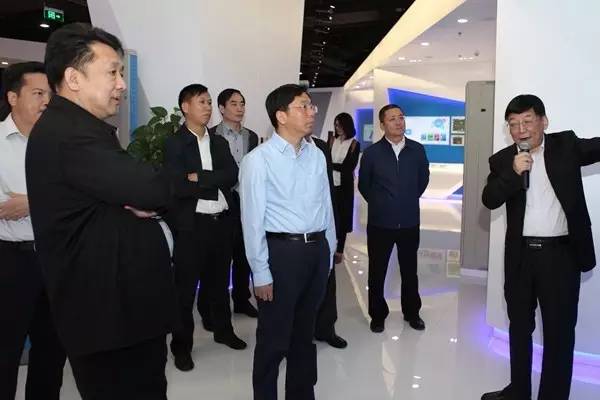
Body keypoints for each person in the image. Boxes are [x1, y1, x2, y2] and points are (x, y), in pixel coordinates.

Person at [25, 23, 179, 399]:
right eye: (112, 72)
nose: (122, 84)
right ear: (73, 78)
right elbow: (154, 187)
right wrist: (141, 196)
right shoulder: (71, 134)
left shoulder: (79, 129)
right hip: (108, 320)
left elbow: (132, 191)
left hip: (121, 314)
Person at [481, 94, 600, 400]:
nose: (521, 129)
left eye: (527, 121)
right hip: (520, 257)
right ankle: (519, 391)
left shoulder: (566, 146)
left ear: (543, 121)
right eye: (513, 123)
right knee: (519, 329)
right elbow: (489, 198)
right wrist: (513, 172)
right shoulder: (502, 160)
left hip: (560, 256)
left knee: (559, 334)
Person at [239, 84, 336, 400]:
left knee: (304, 336)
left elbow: (326, 206)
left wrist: (329, 250)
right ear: (281, 116)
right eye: (303, 106)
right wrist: (260, 272)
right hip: (282, 254)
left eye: (311, 106)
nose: (311, 112)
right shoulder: (258, 160)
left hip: (316, 251)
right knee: (274, 338)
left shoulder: (317, 155)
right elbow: (252, 220)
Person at [165, 84, 246, 373]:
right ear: (185, 107)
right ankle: (181, 347)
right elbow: (177, 185)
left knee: (220, 284)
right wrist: (211, 180)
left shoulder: (218, 142)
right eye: (202, 102)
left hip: (221, 223)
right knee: (185, 291)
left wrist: (199, 178)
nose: (208, 107)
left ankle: (223, 331)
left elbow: (232, 174)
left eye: (210, 102)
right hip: (192, 226)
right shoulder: (175, 143)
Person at [0, 62, 66, 400]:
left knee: (52, 349)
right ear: (13, 97)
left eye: (49, 95)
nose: (46, 101)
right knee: (5, 348)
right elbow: (4, 209)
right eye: (38, 93)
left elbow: (76, 198)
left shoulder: (58, 143)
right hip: (11, 260)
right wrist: (49, 200)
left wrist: (32, 201)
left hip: (56, 256)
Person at [358, 104, 429, 333]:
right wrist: (381, 204)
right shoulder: (371, 153)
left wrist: (406, 200)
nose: (398, 122)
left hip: (409, 221)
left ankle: (412, 312)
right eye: (392, 119)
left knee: (409, 270)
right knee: (377, 270)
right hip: (380, 223)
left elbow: (423, 180)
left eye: (401, 117)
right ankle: (377, 314)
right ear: (382, 125)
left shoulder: (417, 150)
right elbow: (364, 185)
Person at [198, 88, 258, 319]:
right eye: (234, 104)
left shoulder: (251, 137)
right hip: (221, 202)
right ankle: (210, 306)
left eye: (242, 103)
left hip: (246, 201)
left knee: (244, 254)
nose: (239, 108)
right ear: (221, 108)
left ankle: (242, 299)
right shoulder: (210, 135)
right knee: (217, 259)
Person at [307, 131, 348, 349]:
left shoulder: (321, 147)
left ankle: (326, 328)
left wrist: (337, 230)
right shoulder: (276, 150)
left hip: (323, 225)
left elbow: (329, 191)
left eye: (311, 112)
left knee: (327, 281)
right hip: (295, 232)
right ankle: (298, 335)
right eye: (304, 112)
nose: (310, 115)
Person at [328, 112, 360, 264]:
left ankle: (339, 250)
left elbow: (349, 167)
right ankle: (329, 246)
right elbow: (326, 161)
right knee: (330, 217)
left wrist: (332, 166)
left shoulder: (354, 144)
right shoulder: (331, 141)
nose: (337, 128)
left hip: (344, 187)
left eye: (340, 125)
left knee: (343, 218)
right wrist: (335, 166)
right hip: (329, 185)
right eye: (336, 125)